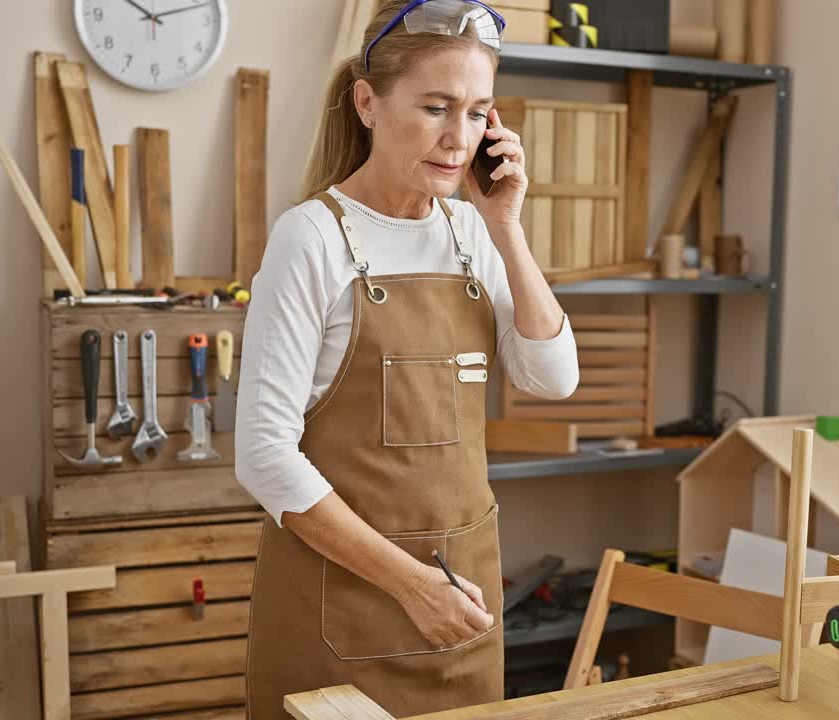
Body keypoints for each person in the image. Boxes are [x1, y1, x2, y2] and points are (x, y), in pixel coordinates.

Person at [235, 1, 579, 717]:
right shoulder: (312, 239)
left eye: (479, 112)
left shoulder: (472, 231)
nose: (460, 138)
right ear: (367, 101)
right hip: (345, 615)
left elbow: (552, 376)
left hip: (463, 608)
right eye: (435, 107)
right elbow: (265, 456)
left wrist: (507, 229)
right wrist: (413, 586)